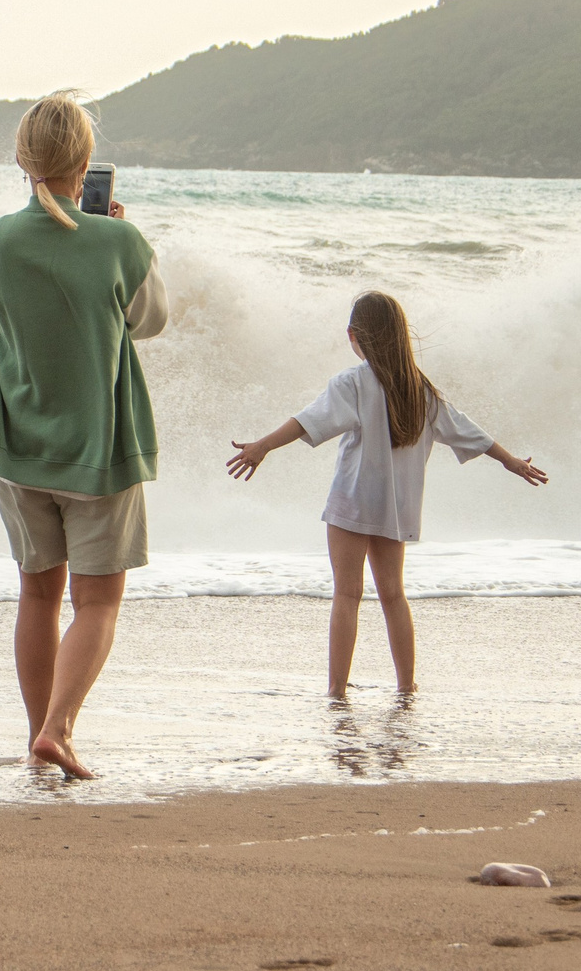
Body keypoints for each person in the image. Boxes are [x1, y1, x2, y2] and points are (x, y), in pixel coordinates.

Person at [0, 93, 169, 779]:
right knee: (99, 601)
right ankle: (58, 728)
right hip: (99, 449)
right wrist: (110, 232)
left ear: (22, 161)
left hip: (17, 442)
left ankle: (38, 734)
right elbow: (151, 321)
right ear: (85, 163)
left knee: (37, 593)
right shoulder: (119, 242)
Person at [225, 290, 546, 699]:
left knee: (347, 593)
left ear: (354, 335)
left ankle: (337, 690)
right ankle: (406, 686)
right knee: (394, 595)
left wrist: (262, 446)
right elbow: (471, 432)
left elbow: (307, 421)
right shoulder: (421, 389)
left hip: (352, 502)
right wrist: (511, 461)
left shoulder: (353, 382)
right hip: (396, 509)